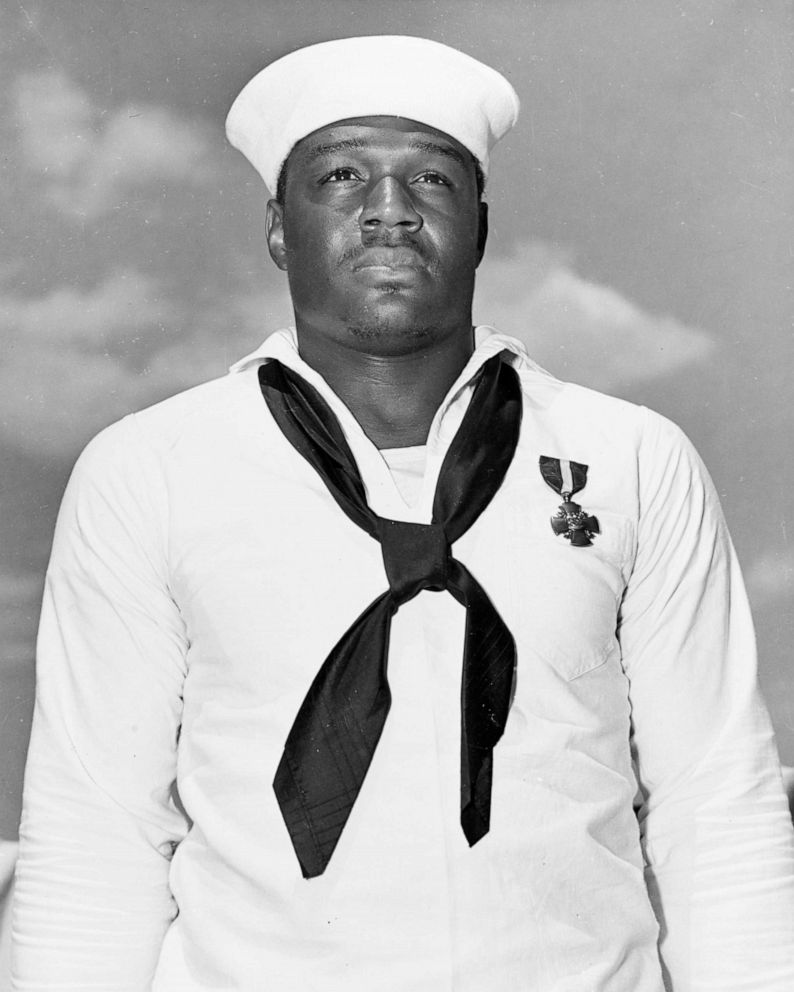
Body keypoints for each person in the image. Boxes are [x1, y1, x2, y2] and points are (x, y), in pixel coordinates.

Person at [11, 34, 794, 992]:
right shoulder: (150, 471)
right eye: (341, 175)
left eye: (431, 178)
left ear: (481, 225)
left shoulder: (632, 459)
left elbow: (715, 802)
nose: (390, 210)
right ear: (276, 227)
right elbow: (97, 835)